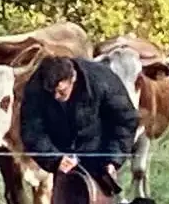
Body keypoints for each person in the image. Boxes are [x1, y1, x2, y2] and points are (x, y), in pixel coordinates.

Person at [19, 55, 139, 193]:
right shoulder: (36, 86)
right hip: (62, 157)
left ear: (73, 78)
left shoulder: (102, 79)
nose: (56, 97)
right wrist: (55, 159)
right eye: (51, 92)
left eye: (61, 91)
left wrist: (113, 159)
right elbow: (32, 130)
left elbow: (125, 121)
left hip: (99, 152)